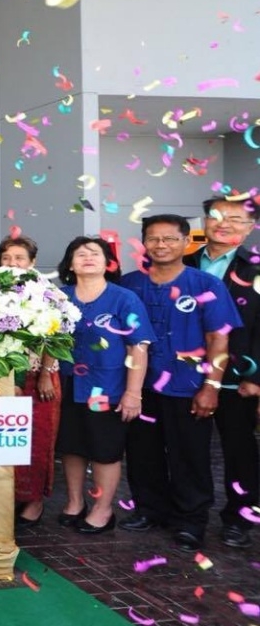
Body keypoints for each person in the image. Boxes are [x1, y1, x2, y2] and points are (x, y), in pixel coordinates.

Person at [120, 215, 240, 551]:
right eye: (153, 239)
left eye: (170, 239)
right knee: (142, 453)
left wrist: (211, 387)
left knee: (190, 455)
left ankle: (191, 521)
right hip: (140, 386)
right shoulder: (129, 284)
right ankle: (149, 510)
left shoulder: (206, 285)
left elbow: (218, 339)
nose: (161, 245)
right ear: (144, 243)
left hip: (188, 386)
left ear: (187, 242)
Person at [55, 237, 153, 535]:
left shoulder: (124, 298)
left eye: (94, 253)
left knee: (104, 450)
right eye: (80, 254)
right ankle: (75, 502)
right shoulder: (58, 297)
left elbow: (138, 346)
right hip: (68, 385)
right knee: (70, 446)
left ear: (108, 262)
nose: (87, 258)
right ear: (70, 264)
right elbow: (48, 341)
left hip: (106, 388)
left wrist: (133, 393)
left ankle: (103, 509)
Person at [183, 196, 260, 548]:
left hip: (237, 375)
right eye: (216, 216)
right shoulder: (183, 263)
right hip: (184, 372)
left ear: (250, 227)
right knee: (188, 447)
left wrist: (255, 378)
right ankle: (189, 514)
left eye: (235, 219)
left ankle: (239, 518)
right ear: (204, 222)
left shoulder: (255, 269)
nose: (223, 223)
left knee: (239, 449)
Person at [0, 235, 61, 529]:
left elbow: (56, 337)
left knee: (37, 440)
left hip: (38, 378)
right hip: (2, 377)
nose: (13, 263)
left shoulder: (47, 292)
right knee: (5, 440)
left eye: (19, 258)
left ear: (32, 262)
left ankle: (34, 500)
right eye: (6, 258)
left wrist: (45, 374)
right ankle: (7, 497)